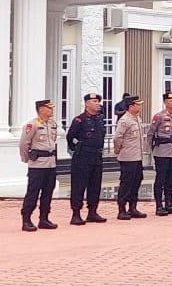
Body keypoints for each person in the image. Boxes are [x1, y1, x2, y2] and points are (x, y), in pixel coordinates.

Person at [66, 92, 107, 226]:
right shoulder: (80, 120)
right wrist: (77, 149)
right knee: (79, 185)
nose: (97, 104)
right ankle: (76, 213)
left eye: (98, 102)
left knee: (95, 185)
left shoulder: (100, 119)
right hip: (83, 157)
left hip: (97, 156)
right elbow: (70, 137)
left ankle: (92, 212)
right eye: (94, 102)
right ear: (87, 104)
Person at [18, 99, 58, 232]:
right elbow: (24, 143)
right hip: (38, 165)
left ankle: (44, 218)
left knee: (48, 192)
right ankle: (27, 219)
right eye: (49, 108)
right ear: (41, 110)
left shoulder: (52, 124)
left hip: (50, 163)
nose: (51, 110)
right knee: (33, 192)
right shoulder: (32, 124)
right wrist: (26, 159)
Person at [150, 92, 172, 216]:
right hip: (162, 152)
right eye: (171, 101)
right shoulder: (158, 116)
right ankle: (159, 206)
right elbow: (150, 134)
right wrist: (151, 151)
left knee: (170, 179)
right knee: (161, 179)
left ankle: (169, 204)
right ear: (165, 102)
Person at [113, 95, 146, 220]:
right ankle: (122, 209)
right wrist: (118, 151)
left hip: (137, 157)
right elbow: (117, 138)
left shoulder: (137, 118)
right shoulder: (125, 120)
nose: (140, 106)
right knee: (126, 183)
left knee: (136, 181)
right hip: (127, 157)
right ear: (131, 106)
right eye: (137, 104)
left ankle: (133, 207)